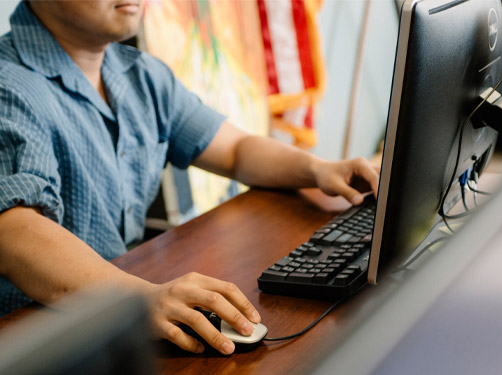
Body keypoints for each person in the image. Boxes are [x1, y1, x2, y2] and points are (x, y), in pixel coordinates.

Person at [0, 1, 379, 355]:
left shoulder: (139, 73)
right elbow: (12, 229)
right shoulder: (8, 85)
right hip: (35, 342)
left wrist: (319, 169)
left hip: (116, 323)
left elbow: (235, 149)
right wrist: (142, 297)